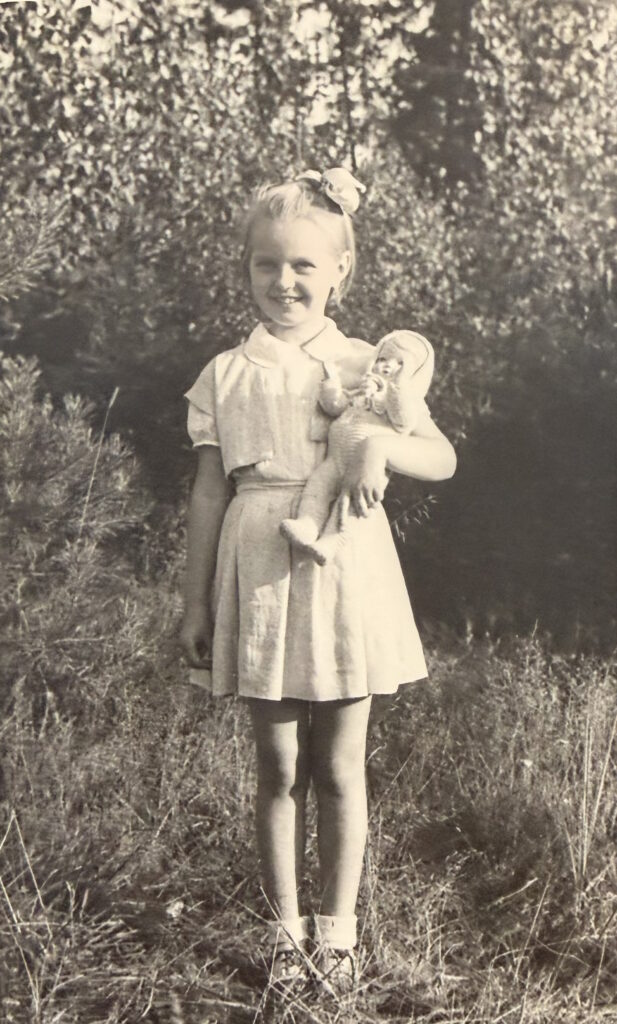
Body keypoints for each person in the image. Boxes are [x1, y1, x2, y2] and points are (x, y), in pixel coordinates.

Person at [180, 167, 456, 994]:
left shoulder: (370, 362)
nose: (284, 281)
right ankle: (283, 936)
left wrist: (379, 448)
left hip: (344, 566)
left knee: (339, 766)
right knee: (276, 766)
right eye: (266, 264)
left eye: (303, 264)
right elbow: (208, 491)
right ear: (246, 268)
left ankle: (337, 936)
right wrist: (194, 599)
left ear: (340, 269)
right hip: (260, 564)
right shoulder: (224, 373)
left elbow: (440, 456)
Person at [280, 328, 435, 565]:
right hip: (335, 459)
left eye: (400, 363)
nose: (386, 365)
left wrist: (398, 385)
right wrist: (331, 383)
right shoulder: (362, 391)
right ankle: (307, 524)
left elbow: (403, 421)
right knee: (317, 486)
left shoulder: (401, 402)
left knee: (352, 506)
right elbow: (335, 407)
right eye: (382, 358)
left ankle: (332, 542)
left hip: (365, 467)